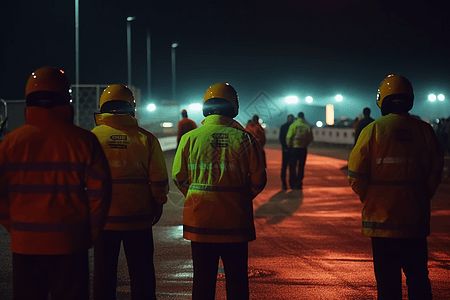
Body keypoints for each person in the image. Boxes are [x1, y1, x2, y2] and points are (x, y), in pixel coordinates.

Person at [0, 66, 112, 300]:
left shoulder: (10, 143)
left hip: (25, 244)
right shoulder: (84, 141)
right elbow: (100, 193)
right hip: (70, 243)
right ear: (66, 97)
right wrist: (89, 233)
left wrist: (16, 227)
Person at [348, 74, 444, 300]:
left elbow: (355, 173)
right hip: (415, 220)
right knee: (419, 279)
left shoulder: (373, 130)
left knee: (388, 284)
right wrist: (420, 197)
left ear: (382, 100)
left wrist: (370, 197)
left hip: (381, 222)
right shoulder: (424, 131)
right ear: (410, 99)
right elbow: (435, 171)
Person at [172, 82, 267, 300]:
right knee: (237, 282)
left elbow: (179, 176)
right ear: (234, 107)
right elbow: (259, 179)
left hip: (200, 222)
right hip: (236, 221)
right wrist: (240, 198)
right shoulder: (245, 139)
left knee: (203, 282)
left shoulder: (190, 138)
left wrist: (197, 197)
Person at [91, 84, 169, 300]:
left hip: (103, 219)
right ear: (131, 108)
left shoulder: (92, 138)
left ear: (103, 107)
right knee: (142, 274)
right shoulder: (146, 139)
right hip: (139, 218)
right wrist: (158, 203)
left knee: (104, 275)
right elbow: (159, 178)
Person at [286, 112, 313, 190]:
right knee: (301, 167)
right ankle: (299, 183)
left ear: (297, 117)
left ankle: (292, 183)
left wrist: (289, 145)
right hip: (303, 149)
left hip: (294, 149)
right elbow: (310, 138)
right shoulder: (307, 126)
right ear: (303, 118)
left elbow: (289, 137)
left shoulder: (293, 125)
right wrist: (305, 144)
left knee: (293, 166)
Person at [279, 114, 295, 190]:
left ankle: (286, 183)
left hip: (286, 149)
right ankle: (288, 183)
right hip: (291, 149)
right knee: (290, 167)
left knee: (286, 167)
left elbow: (281, 138)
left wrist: (284, 147)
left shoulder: (283, 127)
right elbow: (281, 138)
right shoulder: (293, 127)